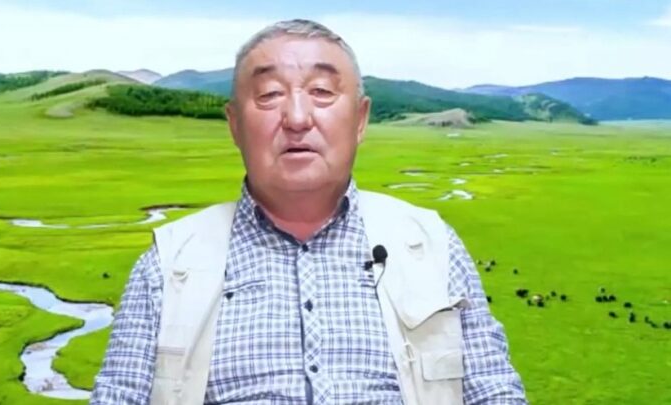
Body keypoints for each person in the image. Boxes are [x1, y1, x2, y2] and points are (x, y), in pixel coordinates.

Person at [90, 19, 527, 405]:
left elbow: (495, 392)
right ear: (234, 124)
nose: (297, 118)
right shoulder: (169, 265)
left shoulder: (431, 245)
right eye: (269, 94)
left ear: (360, 119)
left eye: (321, 92)